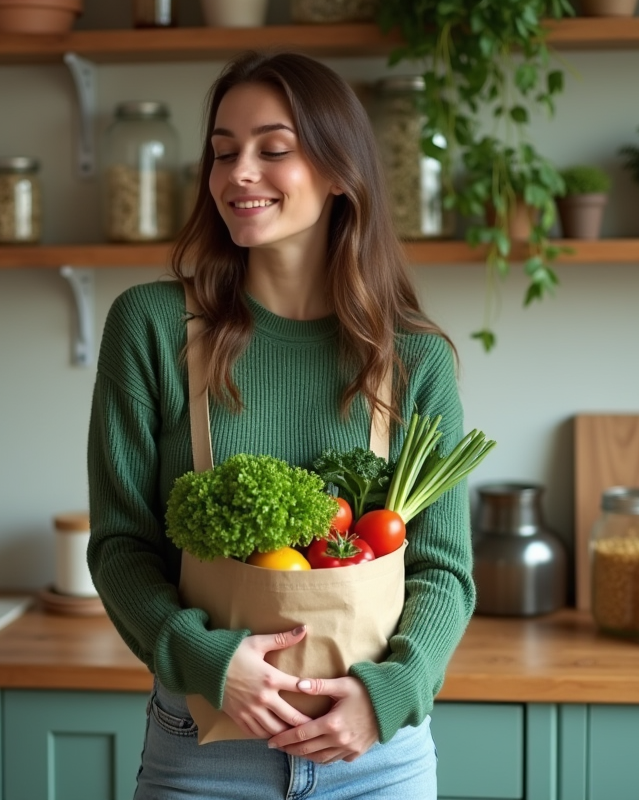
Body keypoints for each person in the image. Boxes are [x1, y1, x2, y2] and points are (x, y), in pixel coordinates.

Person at [87, 50, 476, 799]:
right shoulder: (151, 327)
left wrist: (388, 694)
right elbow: (119, 547)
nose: (238, 173)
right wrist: (208, 660)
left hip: (373, 755)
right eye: (224, 151)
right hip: (205, 750)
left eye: (274, 149)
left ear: (338, 172)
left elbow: (444, 571)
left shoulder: (415, 360)